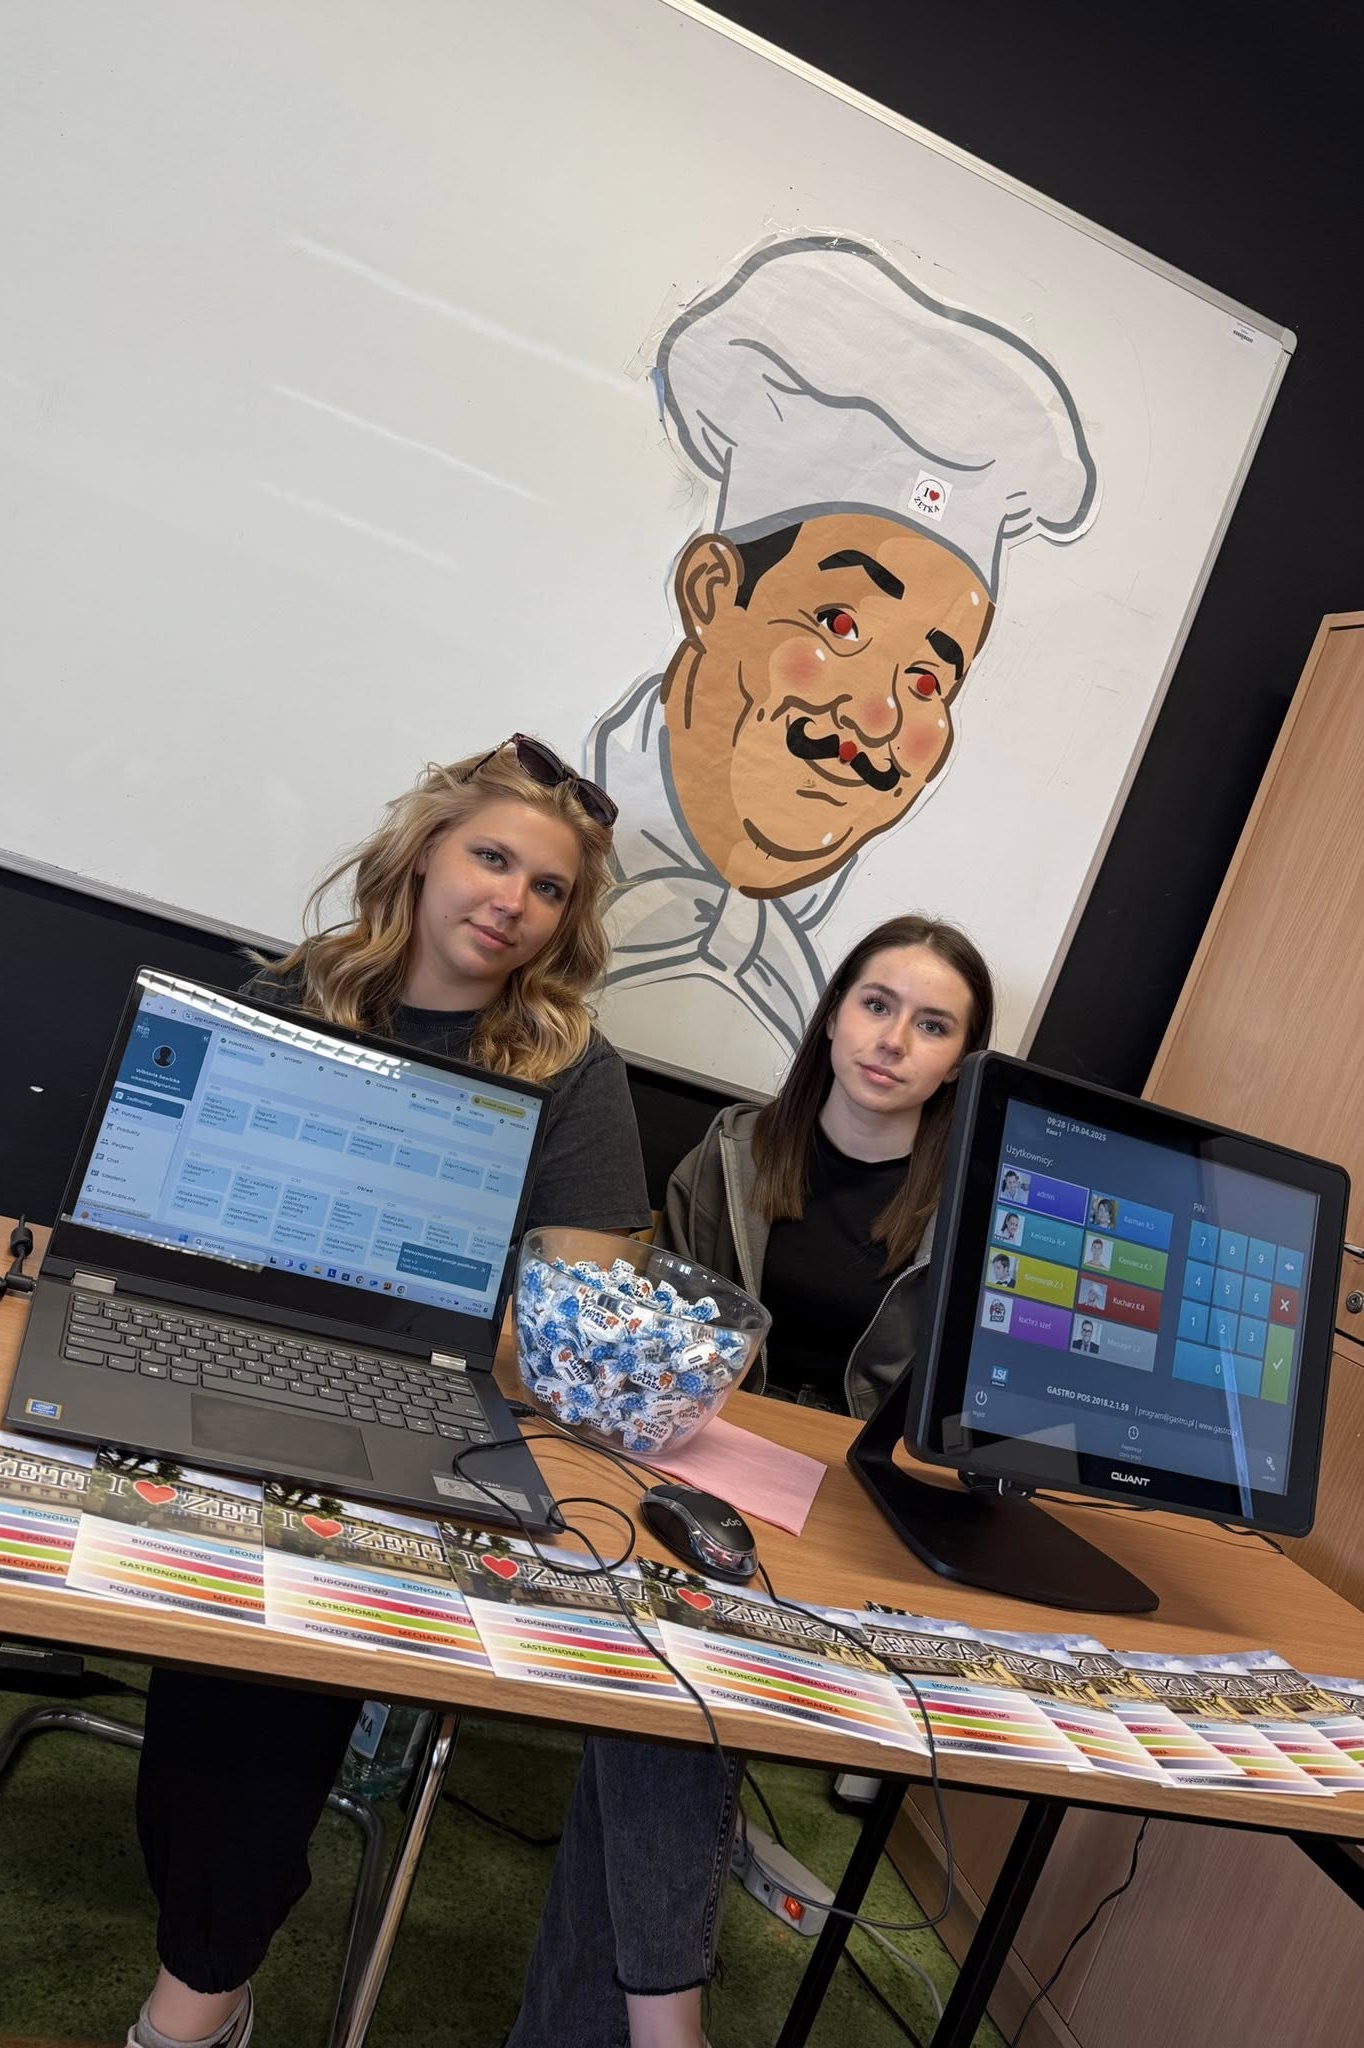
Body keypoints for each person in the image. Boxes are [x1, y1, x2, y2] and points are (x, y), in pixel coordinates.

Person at [122, 737, 652, 2048]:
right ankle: (207, 1947)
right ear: (423, 856)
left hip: (425, 1407)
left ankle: (194, 2002)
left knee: (282, 1616)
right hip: (224, 1356)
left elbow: (574, 1324)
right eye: (491, 857)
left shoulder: (574, 1071)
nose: (511, 900)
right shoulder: (288, 995)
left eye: (547, 887)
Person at [508, 914, 995, 2048]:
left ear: (960, 1064)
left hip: (858, 1516)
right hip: (696, 1475)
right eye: (876, 1004)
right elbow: (651, 1340)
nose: (893, 1041)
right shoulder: (729, 1153)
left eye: (932, 1026)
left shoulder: (977, 1211)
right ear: (832, 1016)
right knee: (676, 1667)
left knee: (671, 1687)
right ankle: (665, 2026)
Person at [589, 234, 1095, 1084]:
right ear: (712, 592)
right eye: (840, 625)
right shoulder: (531, 892)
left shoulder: (836, 1013)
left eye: (928, 679)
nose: (878, 717)